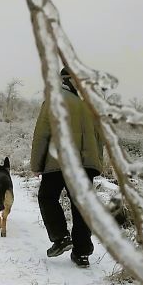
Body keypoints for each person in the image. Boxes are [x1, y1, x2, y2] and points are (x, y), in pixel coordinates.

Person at [30, 67, 104, 268]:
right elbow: (100, 138)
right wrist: (96, 165)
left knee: (47, 197)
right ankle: (82, 254)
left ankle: (61, 238)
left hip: (59, 162)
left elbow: (42, 134)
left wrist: (36, 165)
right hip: (85, 166)